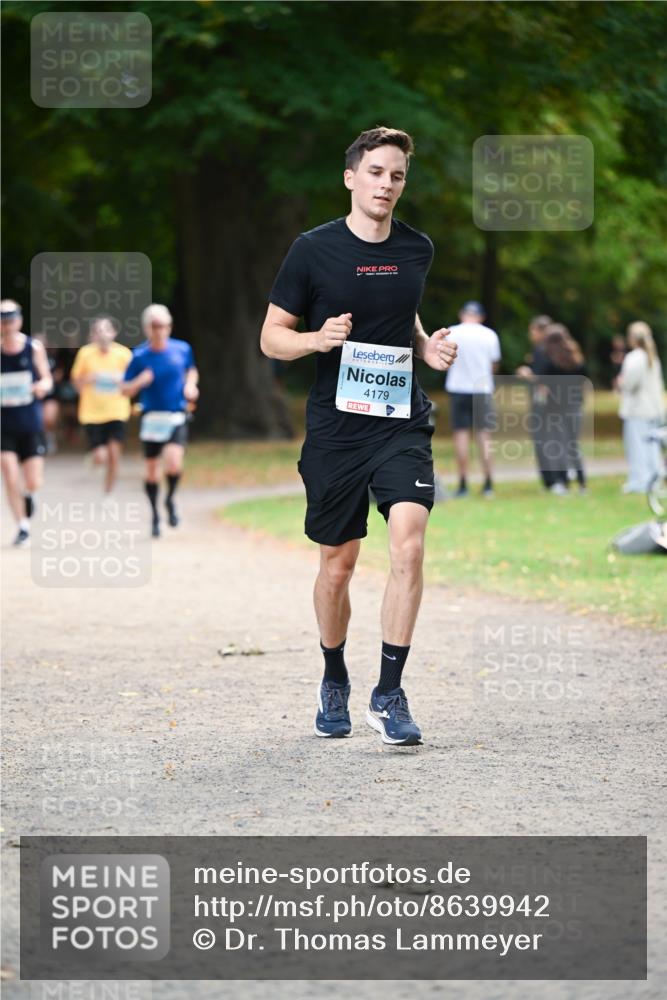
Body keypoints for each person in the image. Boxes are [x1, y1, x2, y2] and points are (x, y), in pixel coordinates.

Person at [260, 126, 457, 746]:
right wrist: (317, 339)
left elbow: (402, 313)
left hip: (401, 420)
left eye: (396, 175)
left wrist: (426, 346)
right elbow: (271, 337)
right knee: (338, 566)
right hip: (337, 429)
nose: (386, 184)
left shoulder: (416, 248)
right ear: (351, 177)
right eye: (376, 172)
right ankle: (334, 676)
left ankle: (389, 693)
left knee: (408, 546)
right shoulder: (312, 250)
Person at [122, 304, 199, 536]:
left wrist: (190, 385)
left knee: (174, 463)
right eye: (156, 326)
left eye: (164, 325)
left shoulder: (182, 349)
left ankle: (170, 499)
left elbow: (191, 370)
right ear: (147, 328)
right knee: (152, 470)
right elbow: (124, 389)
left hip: (175, 415)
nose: (160, 330)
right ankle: (155, 515)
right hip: (151, 418)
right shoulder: (139, 356)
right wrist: (139, 383)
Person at [1, 299, 53, 545]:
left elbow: (47, 379)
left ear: (19, 321)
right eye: (3, 321)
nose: (7, 326)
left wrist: (41, 386)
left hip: (29, 422)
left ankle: (30, 495)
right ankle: (22, 526)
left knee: (33, 480)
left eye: (10, 320)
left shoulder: (33, 348)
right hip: (4, 424)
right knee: (9, 472)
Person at [444, 300, 500, 498]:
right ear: (481, 316)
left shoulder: (452, 332)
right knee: (484, 435)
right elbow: (494, 364)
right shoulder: (489, 334)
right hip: (482, 389)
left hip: (458, 387)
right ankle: (488, 483)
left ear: (462, 314)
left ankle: (463, 483)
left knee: (461, 435)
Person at [70, 317, 133, 493]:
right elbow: (75, 383)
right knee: (101, 457)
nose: (102, 334)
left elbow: (132, 383)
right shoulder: (85, 353)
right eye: (97, 331)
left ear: (114, 333)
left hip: (117, 411)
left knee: (114, 457)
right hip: (92, 413)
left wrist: (121, 382)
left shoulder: (124, 354)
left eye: (105, 330)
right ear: (93, 335)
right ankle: (95, 458)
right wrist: (88, 379)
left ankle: (108, 493)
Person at [537, 324, 588, 494]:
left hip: (555, 408)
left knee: (558, 445)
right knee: (573, 445)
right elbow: (583, 384)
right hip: (574, 406)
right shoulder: (577, 359)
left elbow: (542, 386)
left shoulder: (550, 361)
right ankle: (582, 482)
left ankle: (563, 482)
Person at [617, 321, 665, 494]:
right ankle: (654, 478)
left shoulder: (635, 357)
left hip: (638, 410)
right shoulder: (652, 356)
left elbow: (629, 384)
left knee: (637, 446)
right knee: (652, 447)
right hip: (653, 408)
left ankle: (641, 481)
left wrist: (620, 383)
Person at [516, 314, 553, 489]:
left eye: (533, 331)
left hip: (542, 401)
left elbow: (541, 379)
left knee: (542, 439)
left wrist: (526, 373)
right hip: (554, 402)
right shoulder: (556, 349)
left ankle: (549, 479)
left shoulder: (541, 350)